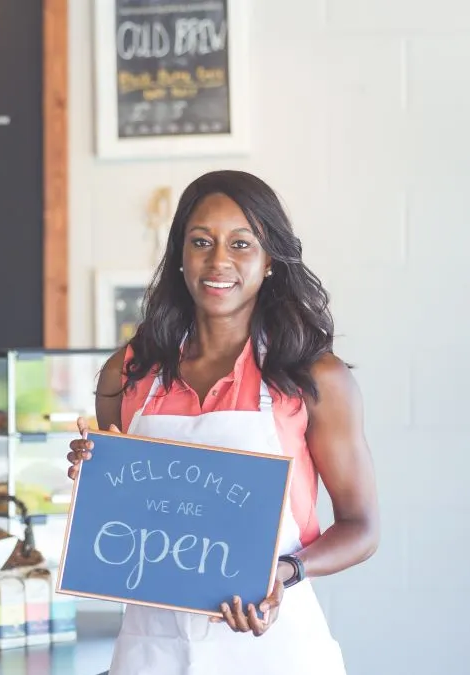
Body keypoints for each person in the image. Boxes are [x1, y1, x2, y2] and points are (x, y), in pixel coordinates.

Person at [66, 170, 379, 674]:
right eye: (201, 242)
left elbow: (362, 528)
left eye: (241, 244)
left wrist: (286, 572)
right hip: (152, 652)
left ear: (271, 259)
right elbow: (124, 515)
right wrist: (93, 474)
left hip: (273, 649)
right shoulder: (128, 372)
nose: (218, 262)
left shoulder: (314, 377)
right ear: (180, 255)